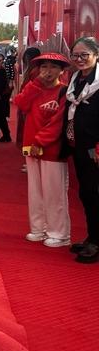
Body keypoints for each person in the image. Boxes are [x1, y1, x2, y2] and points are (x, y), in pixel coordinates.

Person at [14, 53, 70, 247]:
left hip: (52, 150)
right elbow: (20, 103)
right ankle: (38, 228)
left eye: (53, 67)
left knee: (54, 193)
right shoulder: (35, 88)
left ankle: (59, 233)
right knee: (35, 191)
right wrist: (36, 83)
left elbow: (58, 123)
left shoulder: (64, 92)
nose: (48, 71)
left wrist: (40, 141)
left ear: (62, 71)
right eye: (44, 67)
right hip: (31, 148)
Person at [62, 37, 99, 263]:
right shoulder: (76, 79)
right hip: (79, 146)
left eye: (84, 55)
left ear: (96, 55)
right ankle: (92, 236)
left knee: (95, 193)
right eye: (75, 55)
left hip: (95, 149)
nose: (79, 59)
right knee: (86, 193)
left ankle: (96, 242)